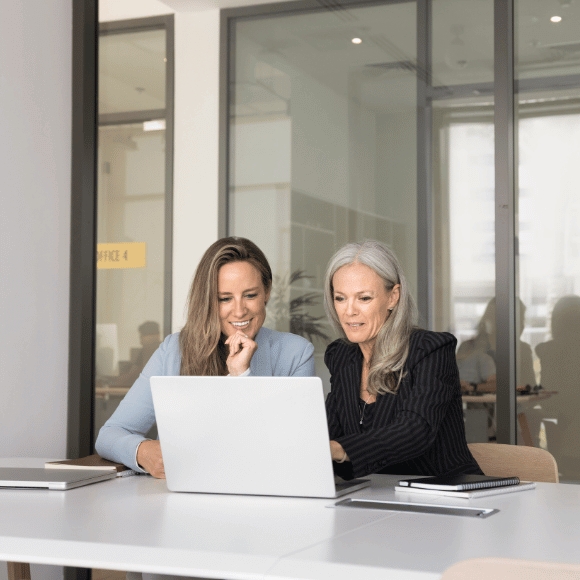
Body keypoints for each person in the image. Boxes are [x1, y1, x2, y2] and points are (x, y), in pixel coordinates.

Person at [95, 237, 315, 478]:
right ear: (209, 299)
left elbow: (295, 449)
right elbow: (109, 435)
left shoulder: (296, 353)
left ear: (267, 292)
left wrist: (241, 375)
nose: (239, 310)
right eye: (224, 298)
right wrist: (142, 451)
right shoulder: (174, 350)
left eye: (250, 295)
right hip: (179, 498)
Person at [323, 240, 481, 479]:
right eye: (340, 298)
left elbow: (415, 431)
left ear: (393, 297)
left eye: (364, 298)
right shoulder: (342, 356)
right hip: (377, 496)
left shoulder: (431, 350)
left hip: (444, 495)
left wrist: (339, 449)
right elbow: (330, 433)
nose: (349, 311)